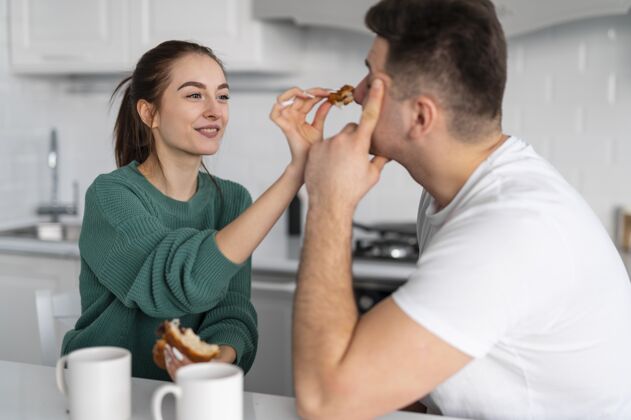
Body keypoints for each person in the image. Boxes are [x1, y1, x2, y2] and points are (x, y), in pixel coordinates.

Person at [288, 0, 631, 419]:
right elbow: (428, 370)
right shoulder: (451, 193)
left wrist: (329, 202)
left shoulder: (510, 229)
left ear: (420, 116)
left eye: (372, 80)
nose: (357, 93)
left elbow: (324, 403)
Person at [61, 40, 333, 381]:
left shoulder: (232, 201)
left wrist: (217, 359)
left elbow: (233, 311)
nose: (214, 111)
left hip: (188, 395)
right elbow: (175, 285)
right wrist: (295, 174)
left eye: (222, 96)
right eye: (194, 95)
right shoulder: (112, 195)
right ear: (149, 113)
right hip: (103, 391)